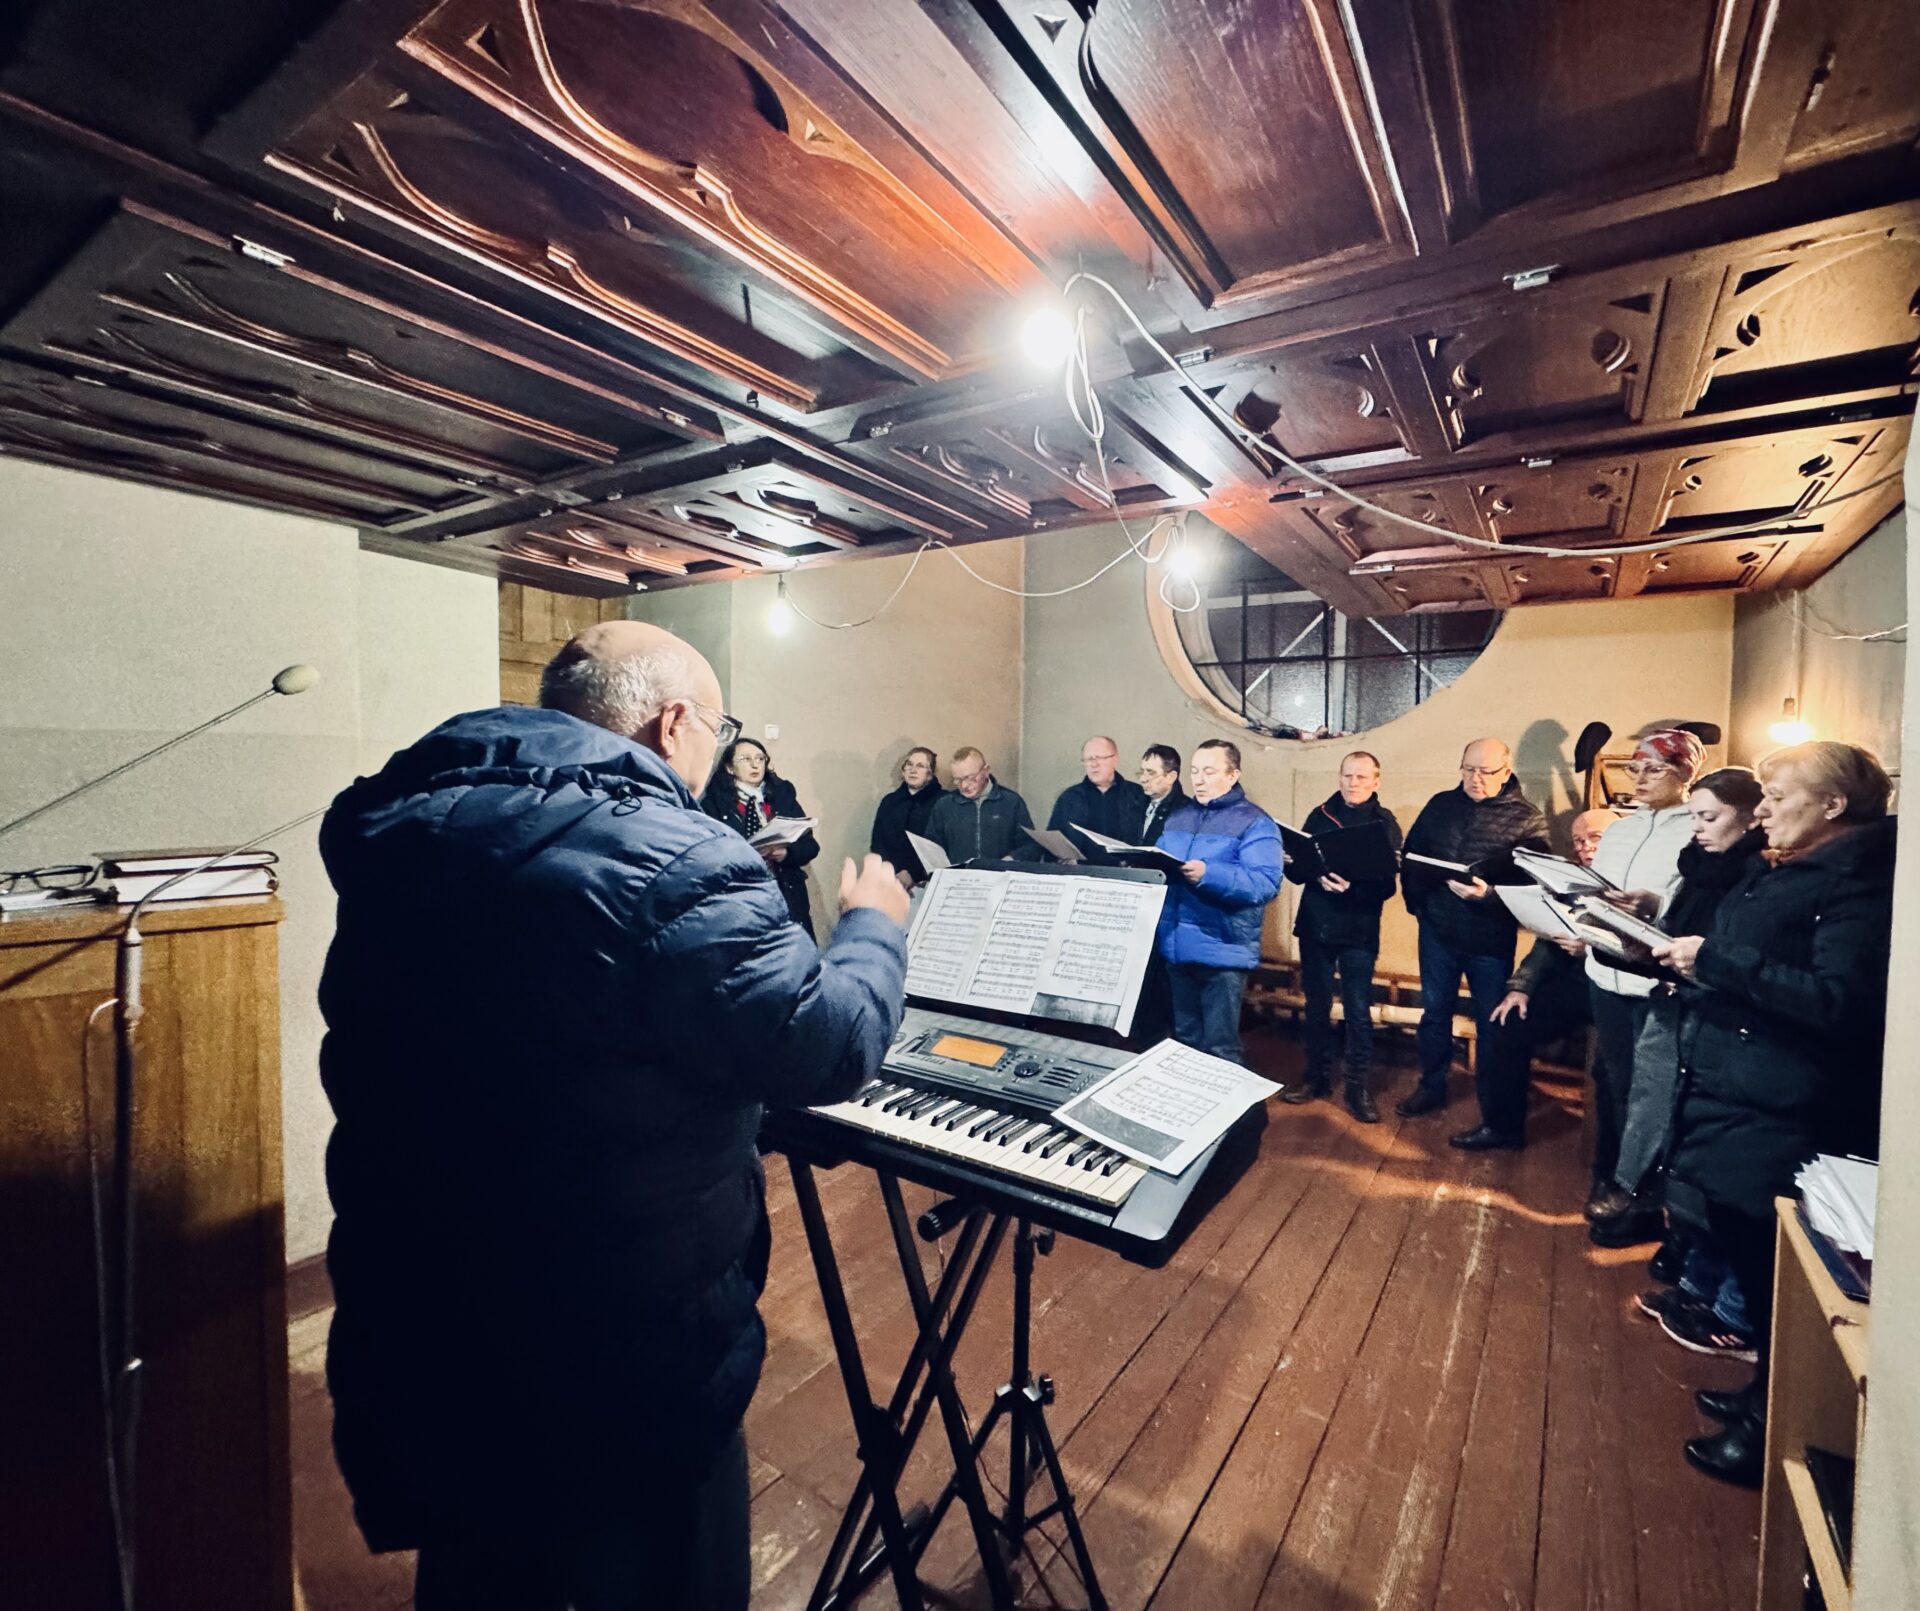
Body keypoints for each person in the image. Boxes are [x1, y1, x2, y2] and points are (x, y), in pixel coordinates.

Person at [316, 620, 911, 1610]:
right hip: (620, 1349)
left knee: (480, 1568)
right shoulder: (678, 856)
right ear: (674, 724)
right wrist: (872, 930)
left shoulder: (411, 828)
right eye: (719, 730)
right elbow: (830, 1044)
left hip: (430, 1316)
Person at [1652, 742, 1895, 1487]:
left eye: (1778, 796)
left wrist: (1716, 962)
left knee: (1775, 1272)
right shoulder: (1784, 868)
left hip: (1787, 1104)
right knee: (1752, 1256)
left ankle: (1775, 1427)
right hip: (1740, 1088)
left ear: (1833, 805)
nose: (1761, 810)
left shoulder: (1859, 884)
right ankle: (1763, 1395)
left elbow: (1842, 1002)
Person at [1615, 769, 1767, 1354]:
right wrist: (1652, 914)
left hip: (1719, 1018)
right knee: (1682, 1134)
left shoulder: (1756, 874)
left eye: (1709, 817)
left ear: (1749, 817)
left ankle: (1728, 1308)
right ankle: (1694, 1281)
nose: (1697, 828)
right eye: (1696, 816)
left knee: (1708, 1151)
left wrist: (1692, 958)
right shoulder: (1703, 864)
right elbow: (1686, 920)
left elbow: (1733, 951)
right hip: (1682, 999)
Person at [1581, 728, 1705, 1228]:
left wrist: (1656, 905)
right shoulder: (1619, 829)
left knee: (1649, 1091)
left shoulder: (1694, 828)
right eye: (1634, 768)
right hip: (1605, 970)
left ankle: (1641, 1190)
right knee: (1612, 1078)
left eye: (1654, 769)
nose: (1639, 778)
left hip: (1653, 977)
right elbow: (1596, 888)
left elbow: (1694, 901)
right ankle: (1610, 1173)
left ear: (1685, 773)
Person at [1398, 738, 1549, 1117]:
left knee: (1491, 1022)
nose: (1475, 778)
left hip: (1490, 939)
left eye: (1485, 771)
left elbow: (1535, 887)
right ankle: (1431, 1086)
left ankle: (1492, 1107)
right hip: (1438, 931)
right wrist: (1420, 907)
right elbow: (1411, 856)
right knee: (1435, 1014)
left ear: (1506, 772)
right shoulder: (1441, 805)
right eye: (1468, 769)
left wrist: (1490, 896)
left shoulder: (1527, 819)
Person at [1455, 807, 1618, 1151]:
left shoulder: (1636, 878)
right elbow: (1547, 941)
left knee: (1613, 1066)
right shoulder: (1570, 878)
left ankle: (1611, 1156)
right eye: (1578, 841)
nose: (1586, 847)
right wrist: (1521, 987)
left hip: (1618, 987)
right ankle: (1502, 1127)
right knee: (1507, 1022)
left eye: (1596, 838)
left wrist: (1592, 948)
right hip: (1576, 984)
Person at [1280, 751, 1403, 1122]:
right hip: (1316, 924)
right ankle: (1316, 1078)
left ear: (1376, 781)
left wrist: (1352, 888)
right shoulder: (1320, 815)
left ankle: (1356, 1088)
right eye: (1348, 775)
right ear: (1339, 777)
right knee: (1316, 1005)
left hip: (1358, 929)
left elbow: (1387, 886)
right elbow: (1297, 873)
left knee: (1357, 1009)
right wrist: (1298, 866)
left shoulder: (1384, 823)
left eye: (1362, 777)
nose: (1353, 783)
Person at [1154, 739, 1284, 1064]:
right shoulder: (1178, 818)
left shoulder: (1256, 823)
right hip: (1177, 946)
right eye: (1194, 771)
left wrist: (1210, 874)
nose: (1198, 780)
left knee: (1221, 1049)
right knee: (1185, 1043)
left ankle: (1231, 1100)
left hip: (1222, 950)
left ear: (1232, 775)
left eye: (1209, 772)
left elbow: (1265, 883)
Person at [702, 736, 822, 937]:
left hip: (786, 895)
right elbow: (710, 857)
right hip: (741, 900)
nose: (754, 764)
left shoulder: (782, 795)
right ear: (730, 768)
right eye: (745, 759)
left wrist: (785, 854)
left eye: (760, 758)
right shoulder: (714, 804)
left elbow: (810, 847)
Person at [923, 746, 1036, 864]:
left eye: (970, 778)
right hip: (959, 874)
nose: (964, 785)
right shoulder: (944, 805)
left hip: (1001, 873)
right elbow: (932, 848)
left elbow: (1030, 846)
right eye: (958, 780)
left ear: (986, 771)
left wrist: (1009, 860)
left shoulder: (1012, 802)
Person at [1048, 734, 1149, 857]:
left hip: (1127, 867)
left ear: (1115, 760)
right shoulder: (1069, 797)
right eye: (1088, 759)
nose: (1094, 764)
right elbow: (1053, 843)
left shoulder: (1138, 795)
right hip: (1080, 868)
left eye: (1100, 758)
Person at [869, 745, 944, 890]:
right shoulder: (890, 802)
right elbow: (878, 843)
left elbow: (939, 846)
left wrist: (912, 873)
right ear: (903, 770)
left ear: (930, 773)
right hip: (891, 880)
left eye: (920, 766)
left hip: (928, 881)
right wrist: (894, 871)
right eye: (909, 764)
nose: (913, 770)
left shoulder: (943, 802)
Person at [1137, 744, 1187, 843]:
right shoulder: (1133, 802)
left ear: (1171, 777)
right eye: (1142, 772)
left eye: (1151, 773)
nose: (1142, 779)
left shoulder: (1186, 812)